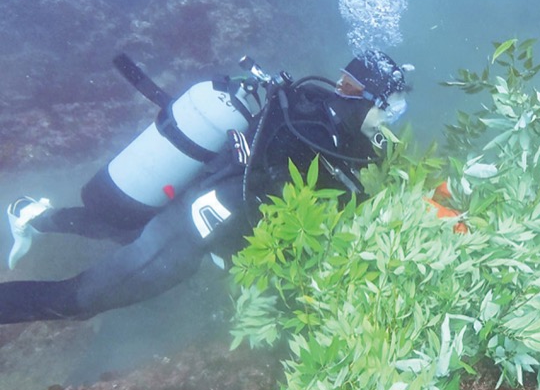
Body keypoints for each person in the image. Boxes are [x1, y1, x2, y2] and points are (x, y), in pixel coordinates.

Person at [1, 51, 412, 324]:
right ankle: (32, 224)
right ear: (367, 100)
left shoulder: (315, 113)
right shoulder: (316, 135)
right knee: (78, 301)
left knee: (117, 227)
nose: (393, 117)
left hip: (191, 200)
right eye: (391, 105)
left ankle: (32, 216)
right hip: (187, 234)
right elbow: (308, 208)